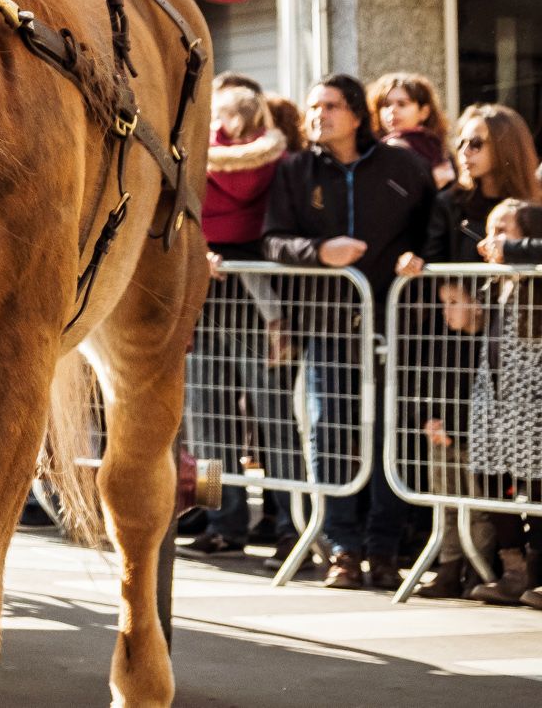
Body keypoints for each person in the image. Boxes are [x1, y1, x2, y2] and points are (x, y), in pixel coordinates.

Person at [262, 73, 436, 590]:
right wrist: (319, 252)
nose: (318, 115)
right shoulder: (295, 171)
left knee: (387, 440)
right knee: (331, 438)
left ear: (358, 114)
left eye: (331, 106)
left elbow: (435, 224)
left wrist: (420, 256)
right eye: (313, 107)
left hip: (392, 327)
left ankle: (383, 550)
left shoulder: (404, 165)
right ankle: (342, 549)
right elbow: (272, 242)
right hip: (328, 328)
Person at [412, 104, 541, 597]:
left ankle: (522, 571)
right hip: (467, 352)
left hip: (529, 356)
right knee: (477, 462)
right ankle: (474, 565)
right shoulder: (448, 203)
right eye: (461, 142)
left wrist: (513, 252)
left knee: (529, 470)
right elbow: (435, 272)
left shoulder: (533, 206)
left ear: (505, 147)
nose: (465, 152)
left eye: (477, 142)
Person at [188, 82, 297, 554]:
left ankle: (221, 522)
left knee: (208, 417)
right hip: (257, 294)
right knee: (275, 417)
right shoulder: (277, 163)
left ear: (229, 120)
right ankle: (294, 518)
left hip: (205, 285)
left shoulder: (195, 156)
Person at [468, 197, 542, 607]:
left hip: (532, 402)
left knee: (538, 484)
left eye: (503, 231)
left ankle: (536, 571)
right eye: (490, 230)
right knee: (491, 480)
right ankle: (512, 569)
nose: (491, 241)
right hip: (495, 403)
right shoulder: (495, 284)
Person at [371, 72, 455, 187]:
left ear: (424, 112)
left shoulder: (435, 147)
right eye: (386, 105)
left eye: (402, 104)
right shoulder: (379, 144)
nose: (392, 110)